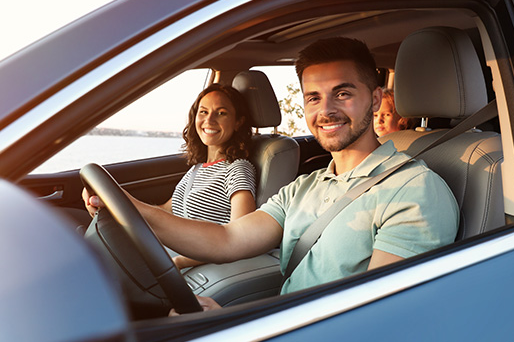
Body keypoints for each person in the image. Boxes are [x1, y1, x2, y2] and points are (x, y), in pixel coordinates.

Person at [84, 37, 459, 313]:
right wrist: (128, 207)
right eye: (313, 97)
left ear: (375, 99)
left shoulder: (415, 191)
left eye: (342, 93)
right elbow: (227, 239)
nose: (325, 110)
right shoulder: (306, 186)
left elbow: (377, 320)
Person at [85, 83, 257, 269]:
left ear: (238, 122)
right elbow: (166, 212)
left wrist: (180, 262)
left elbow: (241, 236)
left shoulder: (237, 169)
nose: (209, 120)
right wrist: (113, 208)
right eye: (203, 112)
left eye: (221, 113)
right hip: (167, 252)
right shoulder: (197, 169)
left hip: (190, 264)